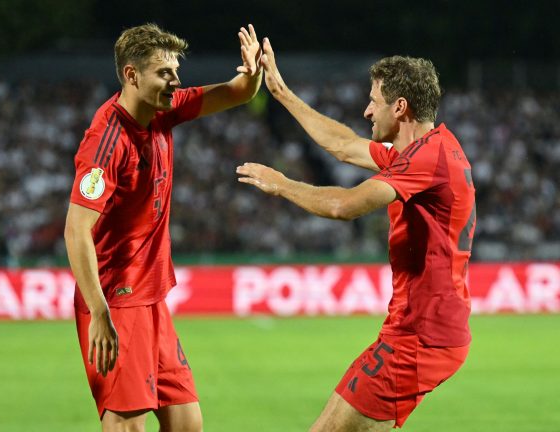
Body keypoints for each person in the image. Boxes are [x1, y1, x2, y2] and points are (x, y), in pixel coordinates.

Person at [237, 39, 476, 431]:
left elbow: (343, 206)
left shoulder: (425, 159)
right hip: (420, 330)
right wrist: (280, 91)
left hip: (421, 336)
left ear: (400, 108)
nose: (366, 110)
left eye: (374, 101)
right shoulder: (424, 149)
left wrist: (281, 184)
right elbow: (344, 146)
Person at [64, 23, 262, 431]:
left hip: (152, 301)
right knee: (127, 425)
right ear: (132, 75)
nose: (176, 81)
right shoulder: (106, 141)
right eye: (164, 73)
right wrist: (100, 313)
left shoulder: (162, 110)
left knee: (188, 424)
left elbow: (236, 91)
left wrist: (252, 72)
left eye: (176, 71)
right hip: (116, 302)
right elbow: (75, 229)